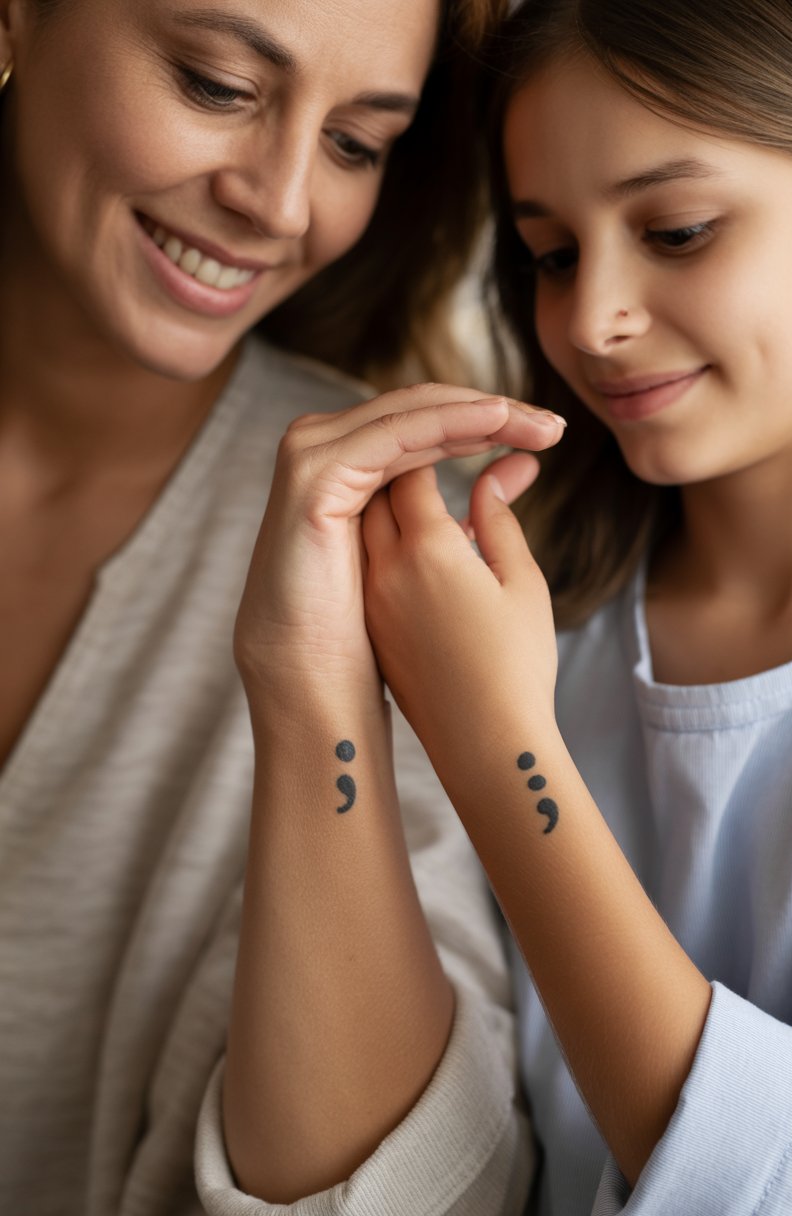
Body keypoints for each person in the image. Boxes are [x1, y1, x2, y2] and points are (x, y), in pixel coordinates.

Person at [0, 0, 567, 1210]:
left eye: (356, 144)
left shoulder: (407, 539)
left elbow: (434, 1194)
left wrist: (313, 691)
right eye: (215, 84)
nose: (285, 203)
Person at [359, 0, 792, 1211]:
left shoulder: (483, 669)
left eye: (675, 230)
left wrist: (495, 743)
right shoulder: (505, 600)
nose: (589, 320)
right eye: (551, 254)